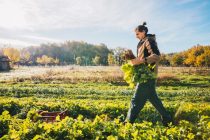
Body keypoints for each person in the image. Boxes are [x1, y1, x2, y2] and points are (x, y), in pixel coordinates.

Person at [125, 22, 173, 126]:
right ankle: (167, 119)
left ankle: (127, 123)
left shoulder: (149, 40)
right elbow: (142, 59)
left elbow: (156, 56)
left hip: (147, 75)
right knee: (154, 99)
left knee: (135, 100)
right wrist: (133, 59)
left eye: (137, 34)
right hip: (147, 75)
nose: (136, 36)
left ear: (143, 32)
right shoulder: (142, 42)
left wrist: (141, 61)